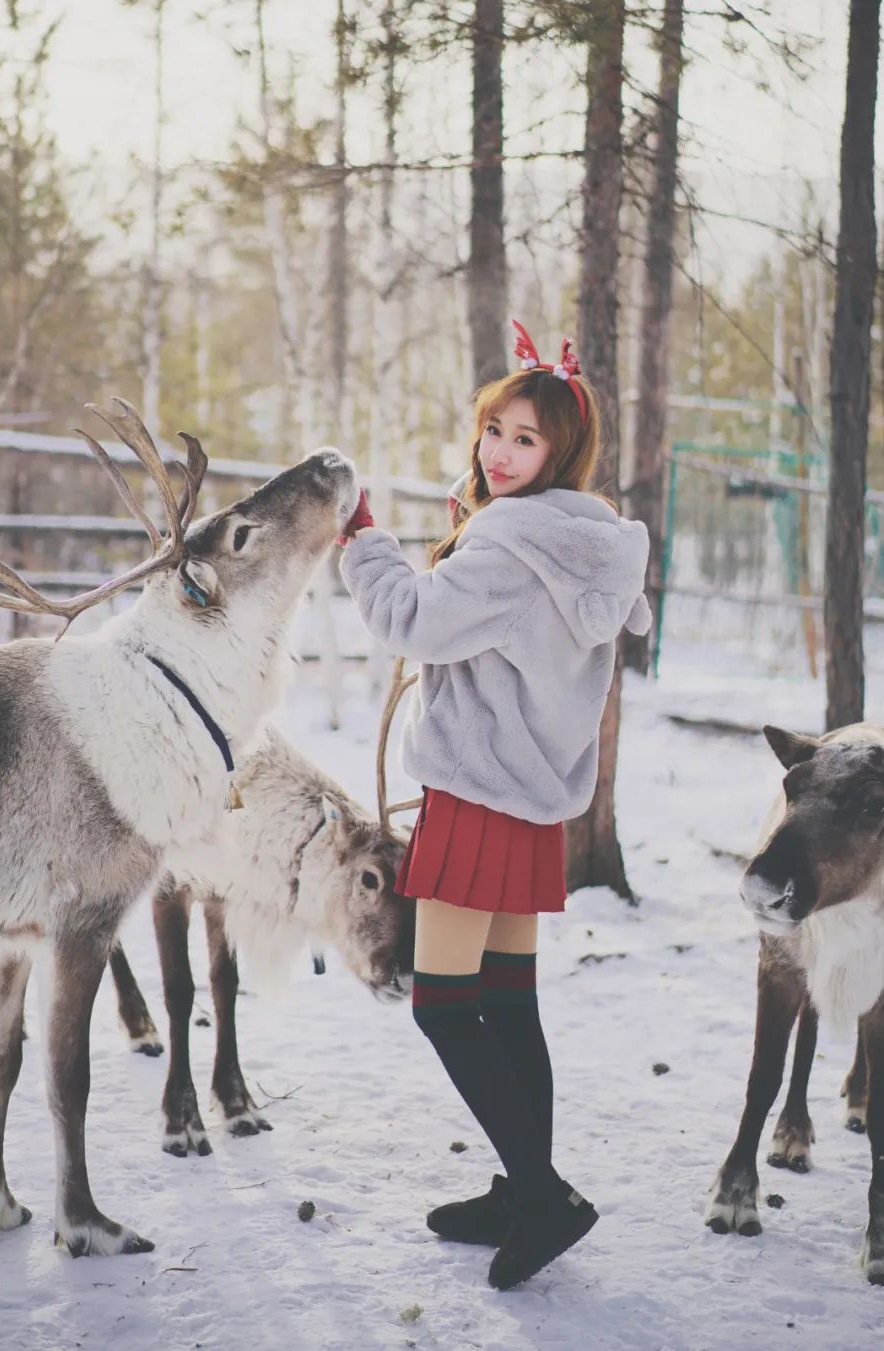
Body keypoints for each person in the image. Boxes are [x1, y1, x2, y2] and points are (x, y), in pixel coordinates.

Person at [336, 321, 651, 1291]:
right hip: (529, 799)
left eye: (525, 439)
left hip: (476, 795)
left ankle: (543, 1193)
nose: (501, 453)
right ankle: (524, 1190)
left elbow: (412, 619)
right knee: (509, 1005)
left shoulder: (511, 545)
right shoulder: (582, 540)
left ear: (559, 452)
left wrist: (365, 539)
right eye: (495, 431)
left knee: (441, 1005)